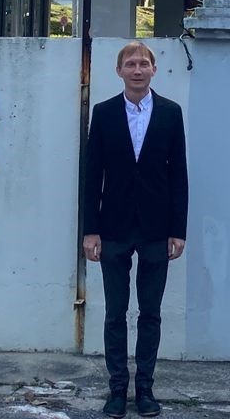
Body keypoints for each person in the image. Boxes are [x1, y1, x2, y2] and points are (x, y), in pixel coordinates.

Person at [82, 40, 188, 417]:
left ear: (154, 70)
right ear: (119, 71)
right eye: (131, 64)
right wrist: (89, 230)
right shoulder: (104, 113)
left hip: (157, 228)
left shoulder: (170, 113)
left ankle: (145, 388)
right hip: (113, 227)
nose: (138, 69)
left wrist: (178, 230)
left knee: (150, 312)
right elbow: (92, 174)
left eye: (144, 63)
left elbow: (179, 175)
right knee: (115, 312)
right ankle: (117, 388)